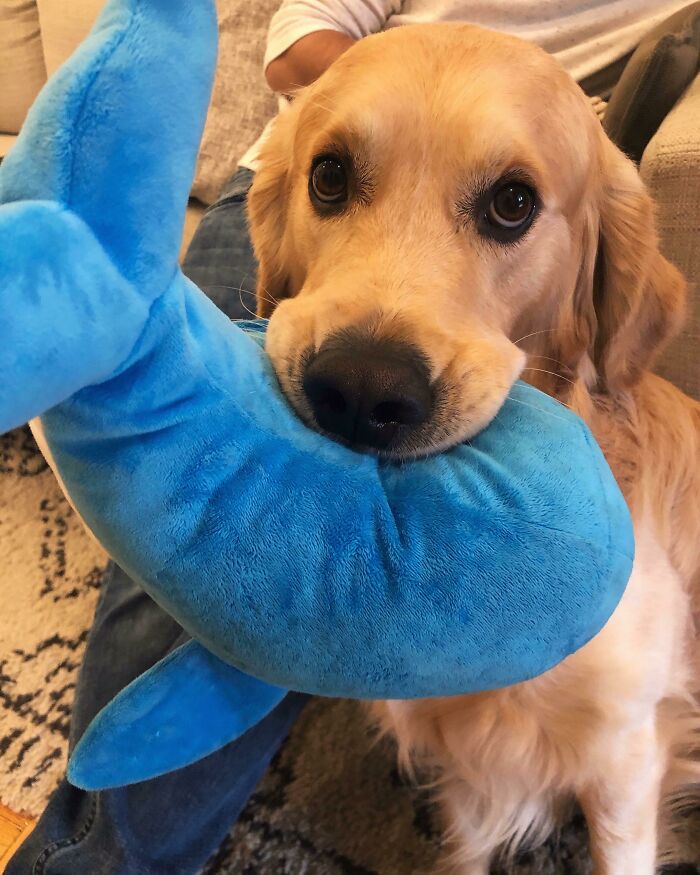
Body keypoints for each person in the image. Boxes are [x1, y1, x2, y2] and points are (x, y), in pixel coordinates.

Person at [9, 1, 692, 872]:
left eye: (508, 203)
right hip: (295, 151)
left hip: (567, 118)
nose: (373, 375)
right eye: (339, 178)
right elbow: (303, 28)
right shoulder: (287, 192)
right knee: (197, 529)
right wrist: (363, 101)